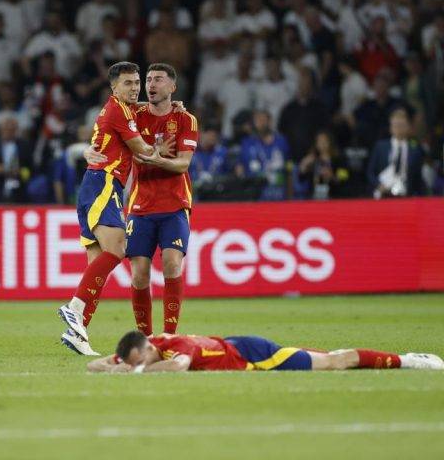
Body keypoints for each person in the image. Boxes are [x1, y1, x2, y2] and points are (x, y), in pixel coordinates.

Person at [57, 61, 157, 356]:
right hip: (104, 184)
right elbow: (142, 150)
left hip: (95, 185)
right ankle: (75, 307)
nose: (135, 88)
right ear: (113, 87)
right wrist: (162, 152)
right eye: (128, 83)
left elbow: (139, 112)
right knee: (118, 249)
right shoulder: (117, 111)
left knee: (96, 264)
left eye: (137, 82)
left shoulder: (123, 109)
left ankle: (78, 332)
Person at [123, 63, 198, 340]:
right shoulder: (135, 115)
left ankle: (168, 336)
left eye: (158, 80)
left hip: (175, 204)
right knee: (140, 273)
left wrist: (154, 157)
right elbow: (112, 109)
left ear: (172, 86)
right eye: (149, 80)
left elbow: (182, 165)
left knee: (171, 263)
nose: (151, 84)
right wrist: (157, 153)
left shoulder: (186, 120)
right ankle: (145, 337)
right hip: (141, 206)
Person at [88, 330, 444, 373]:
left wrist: (132, 373)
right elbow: (95, 366)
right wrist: (112, 366)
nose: (140, 365)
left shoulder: (178, 347)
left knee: (336, 363)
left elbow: (179, 368)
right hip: (239, 345)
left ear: (147, 350)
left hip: (255, 355)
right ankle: (399, 357)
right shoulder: (149, 344)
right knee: (329, 355)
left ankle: (408, 360)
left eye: (140, 360)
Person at [367, 108, 426, 199]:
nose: (398, 128)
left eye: (401, 125)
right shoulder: (381, 147)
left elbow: (418, 178)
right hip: (383, 193)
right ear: (391, 127)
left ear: (408, 127)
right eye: (396, 125)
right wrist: (379, 185)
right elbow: (370, 172)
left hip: (405, 195)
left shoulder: (415, 150)